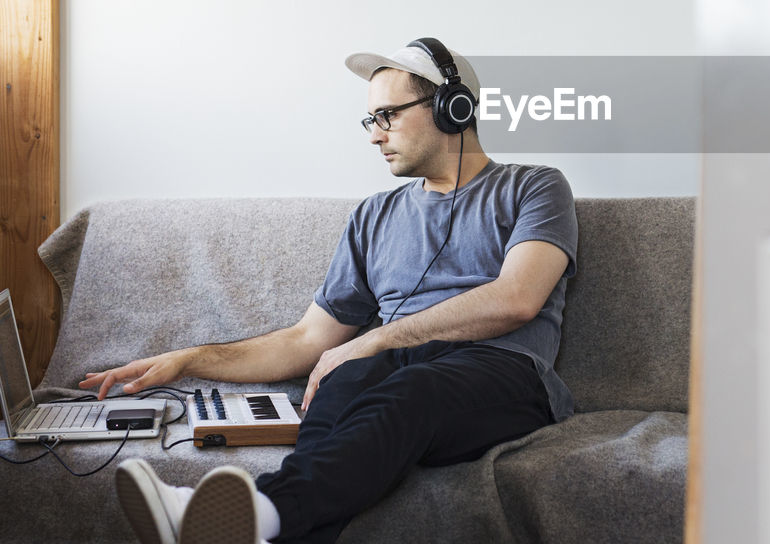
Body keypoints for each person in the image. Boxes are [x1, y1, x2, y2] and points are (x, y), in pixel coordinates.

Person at [81, 37, 578, 544]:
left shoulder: (534, 187)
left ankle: (256, 509)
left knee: (403, 391)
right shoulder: (373, 216)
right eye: (371, 120)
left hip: (504, 373)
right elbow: (307, 340)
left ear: (453, 109)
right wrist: (188, 359)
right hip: (393, 373)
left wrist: (373, 340)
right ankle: (254, 521)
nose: (374, 135)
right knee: (339, 394)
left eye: (388, 115)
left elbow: (517, 298)